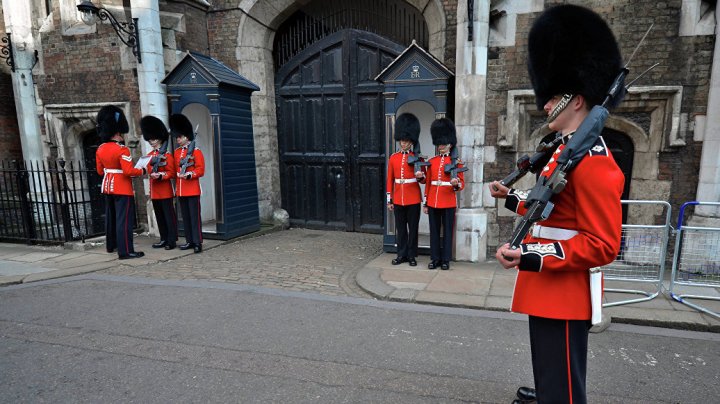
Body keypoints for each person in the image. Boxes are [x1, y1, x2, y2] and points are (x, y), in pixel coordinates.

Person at [490, 5, 625, 403]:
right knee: (551, 383)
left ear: (577, 99)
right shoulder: (563, 153)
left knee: (564, 393)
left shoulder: (594, 163)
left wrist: (531, 255)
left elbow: (602, 244)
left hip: (564, 291)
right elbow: (548, 210)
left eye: (553, 98)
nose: (545, 104)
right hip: (546, 286)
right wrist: (511, 198)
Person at [95, 105, 146, 260]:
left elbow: (99, 171)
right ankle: (125, 251)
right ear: (118, 132)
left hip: (107, 187)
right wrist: (143, 171)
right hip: (122, 188)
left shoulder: (101, 148)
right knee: (124, 221)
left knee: (111, 218)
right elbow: (129, 171)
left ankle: (112, 246)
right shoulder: (121, 149)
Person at [423, 118, 464, 270]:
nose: (441, 147)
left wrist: (456, 184)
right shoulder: (432, 161)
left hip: (448, 201)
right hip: (433, 200)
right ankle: (435, 258)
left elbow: (461, 183)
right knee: (434, 231)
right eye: (439, 144)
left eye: (443, 144)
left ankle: (445, 259)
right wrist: (426, 202)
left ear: (450, 144)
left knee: (447, 232)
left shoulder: (457, 162)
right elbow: (428, 183)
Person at [386, 113, 426, 266]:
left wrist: (420, 176)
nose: (403, 143)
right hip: (398, 198)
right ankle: (401, 254)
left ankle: (411, 255)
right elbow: (390, 179)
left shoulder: (418, 158)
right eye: (402, 140)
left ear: (411, 142)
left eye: (406, 141)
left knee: (413, 228)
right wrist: (390, 199)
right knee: (401, 229)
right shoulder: (393, 157)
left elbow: (425, 180)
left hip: (413, 197)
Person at [141, 115, 178, 250]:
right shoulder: (150, 155)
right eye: (150, 139)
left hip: (165, 190)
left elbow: (172, 173)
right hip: (155, 191)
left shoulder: (167, 155)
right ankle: (163, 238)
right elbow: (147, 169)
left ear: (160, 138)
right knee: (160, 217)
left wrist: (161, 175)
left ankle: (171, 240)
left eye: (154, 139)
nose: (151, 141)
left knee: (168, 217)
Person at [171, 113, 205, 254]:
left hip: (192, 188)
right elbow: (174, 169)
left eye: (180, 137)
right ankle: (189, 241)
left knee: (194, 217)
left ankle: (198, 242)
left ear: (186, 137)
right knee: (185, 217)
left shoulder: (196, 152)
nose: (178, 139)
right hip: (181, 189)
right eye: (177, 137)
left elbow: (201, 170)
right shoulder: (177, 152)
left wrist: (190, 174)